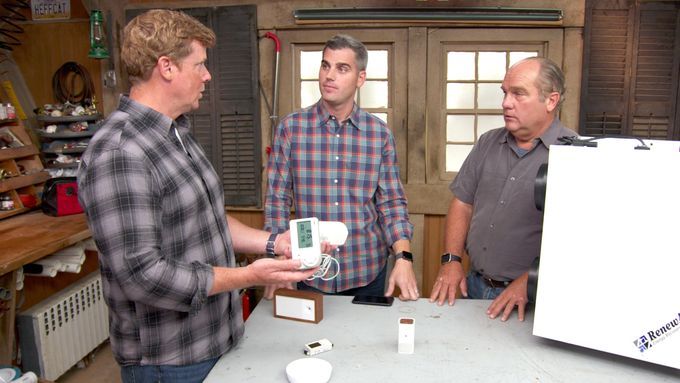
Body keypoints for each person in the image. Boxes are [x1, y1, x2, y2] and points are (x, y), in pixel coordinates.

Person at [77, 9, 316, 383]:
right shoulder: (120, 153)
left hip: (216, 339)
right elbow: (143, 275)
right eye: (200, 64)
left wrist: (274, 244)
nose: (208, 75)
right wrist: (247, 276)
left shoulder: (177, 132)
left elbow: (209, 220)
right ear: (167, 67)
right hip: (169, 361)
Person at [264, 34, 419, 301]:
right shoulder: (291, 129)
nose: (329, 75)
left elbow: (391, 203)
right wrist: (279, 263)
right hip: (307, 271)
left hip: (367, 271)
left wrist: (403, 258)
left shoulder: (379, 134)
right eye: (325, 65)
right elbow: (277, 201)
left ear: (360, 78)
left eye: (342, 68)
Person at [429, 57, 576, 321]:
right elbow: (463, 202)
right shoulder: (488, 142)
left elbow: (580, 237)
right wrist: (451, 261)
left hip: (533, 299)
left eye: (519, 93)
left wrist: (531, 280)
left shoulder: (576, 154)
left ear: (551, 101)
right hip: (474, 286)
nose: (506, 103)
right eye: (505, 93)